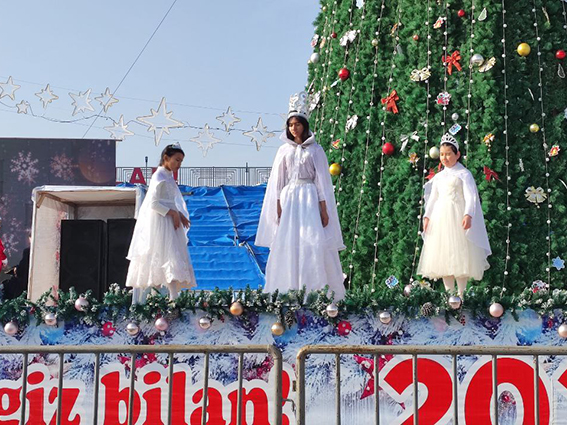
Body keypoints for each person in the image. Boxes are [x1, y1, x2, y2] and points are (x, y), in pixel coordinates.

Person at [256, 92, 346, 300]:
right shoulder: (283, 150)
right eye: (290, 125)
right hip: (290, 198)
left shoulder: (315, 150)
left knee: (312, 239)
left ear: (304, 126)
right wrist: (278, 204)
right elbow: (278, 180)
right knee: (288, 240)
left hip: (309, 197)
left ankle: (315, 288)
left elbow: (322, 181)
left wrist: (323, 208)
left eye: (297, 124)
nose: (293, 128)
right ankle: (288, 288)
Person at [417, 133, 491, 297]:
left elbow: (471, 196)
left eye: (448, 154)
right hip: (441, 219)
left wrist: (468, 214)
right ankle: (449, 295)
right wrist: (427, 217)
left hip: (457, 216)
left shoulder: (464, 174)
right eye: (442, 154)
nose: (445, 158)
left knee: (460, 255)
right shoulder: (439, 177)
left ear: (457, 155)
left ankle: (461, 294)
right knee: (444, 256)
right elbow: (433, 199)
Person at [126, 143, 196, 302]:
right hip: (161, 222)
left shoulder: (168, 176)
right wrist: (172, 213)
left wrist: (179, 213)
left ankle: (170, 296)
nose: (179, 164)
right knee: (163, 256)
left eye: (181, 161)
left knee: (172, 256)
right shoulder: (159, 176)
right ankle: (161, 296)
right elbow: (153, 203)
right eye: (176, 160)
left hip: (170, 221)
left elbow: (169, 200)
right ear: (166, 158)